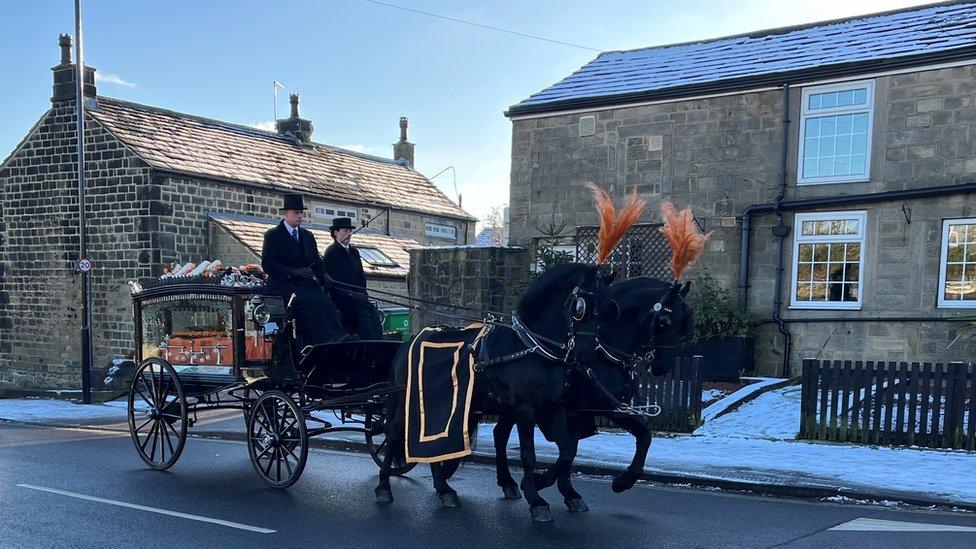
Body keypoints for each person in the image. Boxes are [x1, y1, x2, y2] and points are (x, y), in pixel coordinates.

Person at [261, 193, 349, 346]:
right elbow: (268, 264)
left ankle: (337, 336)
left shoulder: (307, 236)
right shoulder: (273, 236)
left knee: (324, 298)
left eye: (301, 213)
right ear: (286, 214)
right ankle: (323, 340)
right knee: (311, 300)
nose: (300, 216)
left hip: (304, 283)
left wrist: (324, 277)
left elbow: (316, 261)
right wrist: (292, 272)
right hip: (282, 285)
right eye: (296, 213)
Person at [322, 217, 384, 340]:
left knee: (373, 312)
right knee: (363, 314)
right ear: (336, 233)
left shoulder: (354, 252)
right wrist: (351, 295)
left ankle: (379, 343)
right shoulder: (332, 253)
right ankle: (370, 345)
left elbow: (361, 277)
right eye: (345, 231)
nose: (349, 234)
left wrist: (362, 294)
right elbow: (334, 283)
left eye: (350, 231)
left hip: (357, 297)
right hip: (342, 300)